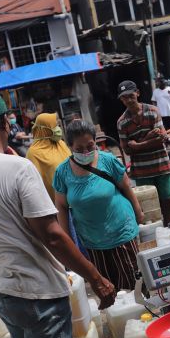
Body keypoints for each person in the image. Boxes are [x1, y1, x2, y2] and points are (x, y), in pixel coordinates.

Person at [0, 89, 115, 338]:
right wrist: (96, 279)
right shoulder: (17, 167)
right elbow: (52, 235)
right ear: (2, 122)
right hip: (36, 293)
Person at [54, 119, 144, 291]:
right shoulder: (62, 172)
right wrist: (68, 240)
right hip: (92, 241)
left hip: (121, 232)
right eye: (79, 149)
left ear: (95, 141)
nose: (86, 151)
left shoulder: (108, 160)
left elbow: (127, 187)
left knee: (135, 286)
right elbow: (61, 206)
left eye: (90, 146)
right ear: (70, 147)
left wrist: (138, 213)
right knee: (108, 290)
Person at [117, 80, 170, 225]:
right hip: (142, 170)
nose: (129, 100)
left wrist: (138, 145)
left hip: (160, 164)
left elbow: (161, 139)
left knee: (166, 198)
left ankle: (169, 225)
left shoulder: (152, 111)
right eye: (125, 97)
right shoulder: (122, 122)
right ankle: (156, 229)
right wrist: (149, 137)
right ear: (121, 99)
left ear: (137, 93)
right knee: (148, 204)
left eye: (131, 95)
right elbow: (126, 149)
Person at [26, 113, 72, 201]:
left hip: (74, 197)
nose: (58, 129)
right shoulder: (33, 153)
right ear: (44, 130)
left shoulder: (60, 144)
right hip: (55, 204)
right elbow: (35, 185)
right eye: (54, 126)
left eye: (57, 125)